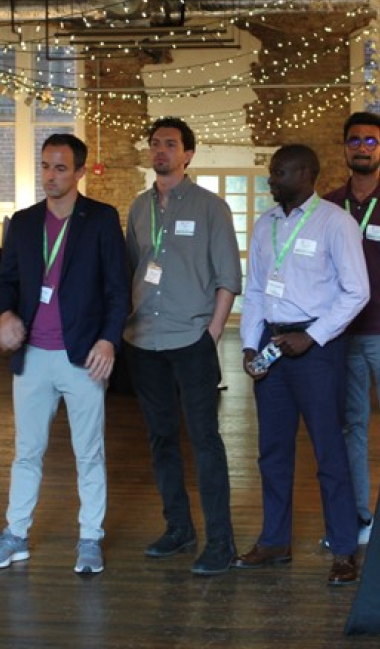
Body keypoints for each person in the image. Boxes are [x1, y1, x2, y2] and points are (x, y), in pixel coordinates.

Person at [0, 133, 128, 576]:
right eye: (45, 166)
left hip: (83, 355)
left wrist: (108, 340)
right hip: (33, 356)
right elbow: (4, 281)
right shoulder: (23, 223)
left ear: (80, 172)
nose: (51, 175)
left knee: (89, 452)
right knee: (27, 451)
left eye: (61, 167)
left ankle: (90, 538)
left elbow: (118, 290)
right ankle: (16, 534)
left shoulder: (101, 219)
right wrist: (4, 314)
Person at [235, 145, 368, 586]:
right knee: (272, 451)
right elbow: (254, 290)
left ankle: (344, 550)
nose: (272, 180)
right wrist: (250, 348)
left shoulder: (336, 222)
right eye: (272, 172)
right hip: (272, 346)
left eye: (280, 172)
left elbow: (357, 292)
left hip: (317, 349)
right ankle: (275, 541)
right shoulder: (265, 225)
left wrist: (311, 336)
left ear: (307, 174)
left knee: (329, 451)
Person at [123, 117, 243, 576]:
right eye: (154, 144)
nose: (160, 151)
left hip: (191, 339)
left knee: (205, 440)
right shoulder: (137, 208)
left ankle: (220, 542)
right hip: (143, 340)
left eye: (170, 145)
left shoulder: (212, 208)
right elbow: (133, 270)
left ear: (189, 154)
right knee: (160, 439)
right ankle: (178, 528)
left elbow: (227, 276)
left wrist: (211, 333)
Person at [319, 111, 380, 546]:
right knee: (350, 426)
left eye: (370, 141)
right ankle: (357, 514)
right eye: (354, 140)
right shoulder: (328, 205)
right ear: (344, 147)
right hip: (341, 332)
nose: (361, 147)